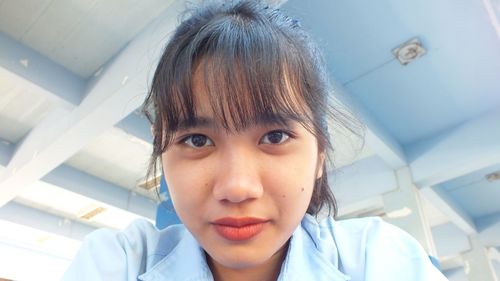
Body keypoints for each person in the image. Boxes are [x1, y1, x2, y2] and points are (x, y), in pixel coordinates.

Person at [62, 1, 448, 280]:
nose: (236, 187)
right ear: (162, 148)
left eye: (275, 136)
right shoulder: (119, 264)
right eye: (197, 140)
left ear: (319, 155)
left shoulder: (378, 260)